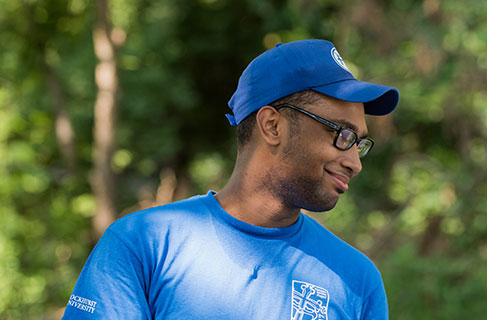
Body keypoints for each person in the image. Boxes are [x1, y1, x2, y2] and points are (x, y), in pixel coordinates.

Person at [63, 39, 399, 319]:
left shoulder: (358, 281)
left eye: (359, 143)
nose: (355, 162)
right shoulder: (143, 244)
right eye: (342, 134)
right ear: (272, 126)